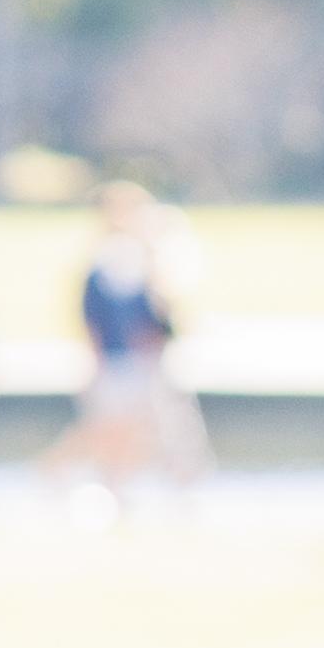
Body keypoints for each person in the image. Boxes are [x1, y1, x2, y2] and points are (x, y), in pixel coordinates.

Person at [60, 178, 207, 497]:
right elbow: (93, 320)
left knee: (159, 433)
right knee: (112, 431)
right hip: (120, 363)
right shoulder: (104, 265)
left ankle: (172, 496)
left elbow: (165, 313)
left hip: (149, 362)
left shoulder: (147, 258)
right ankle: (92, 485)